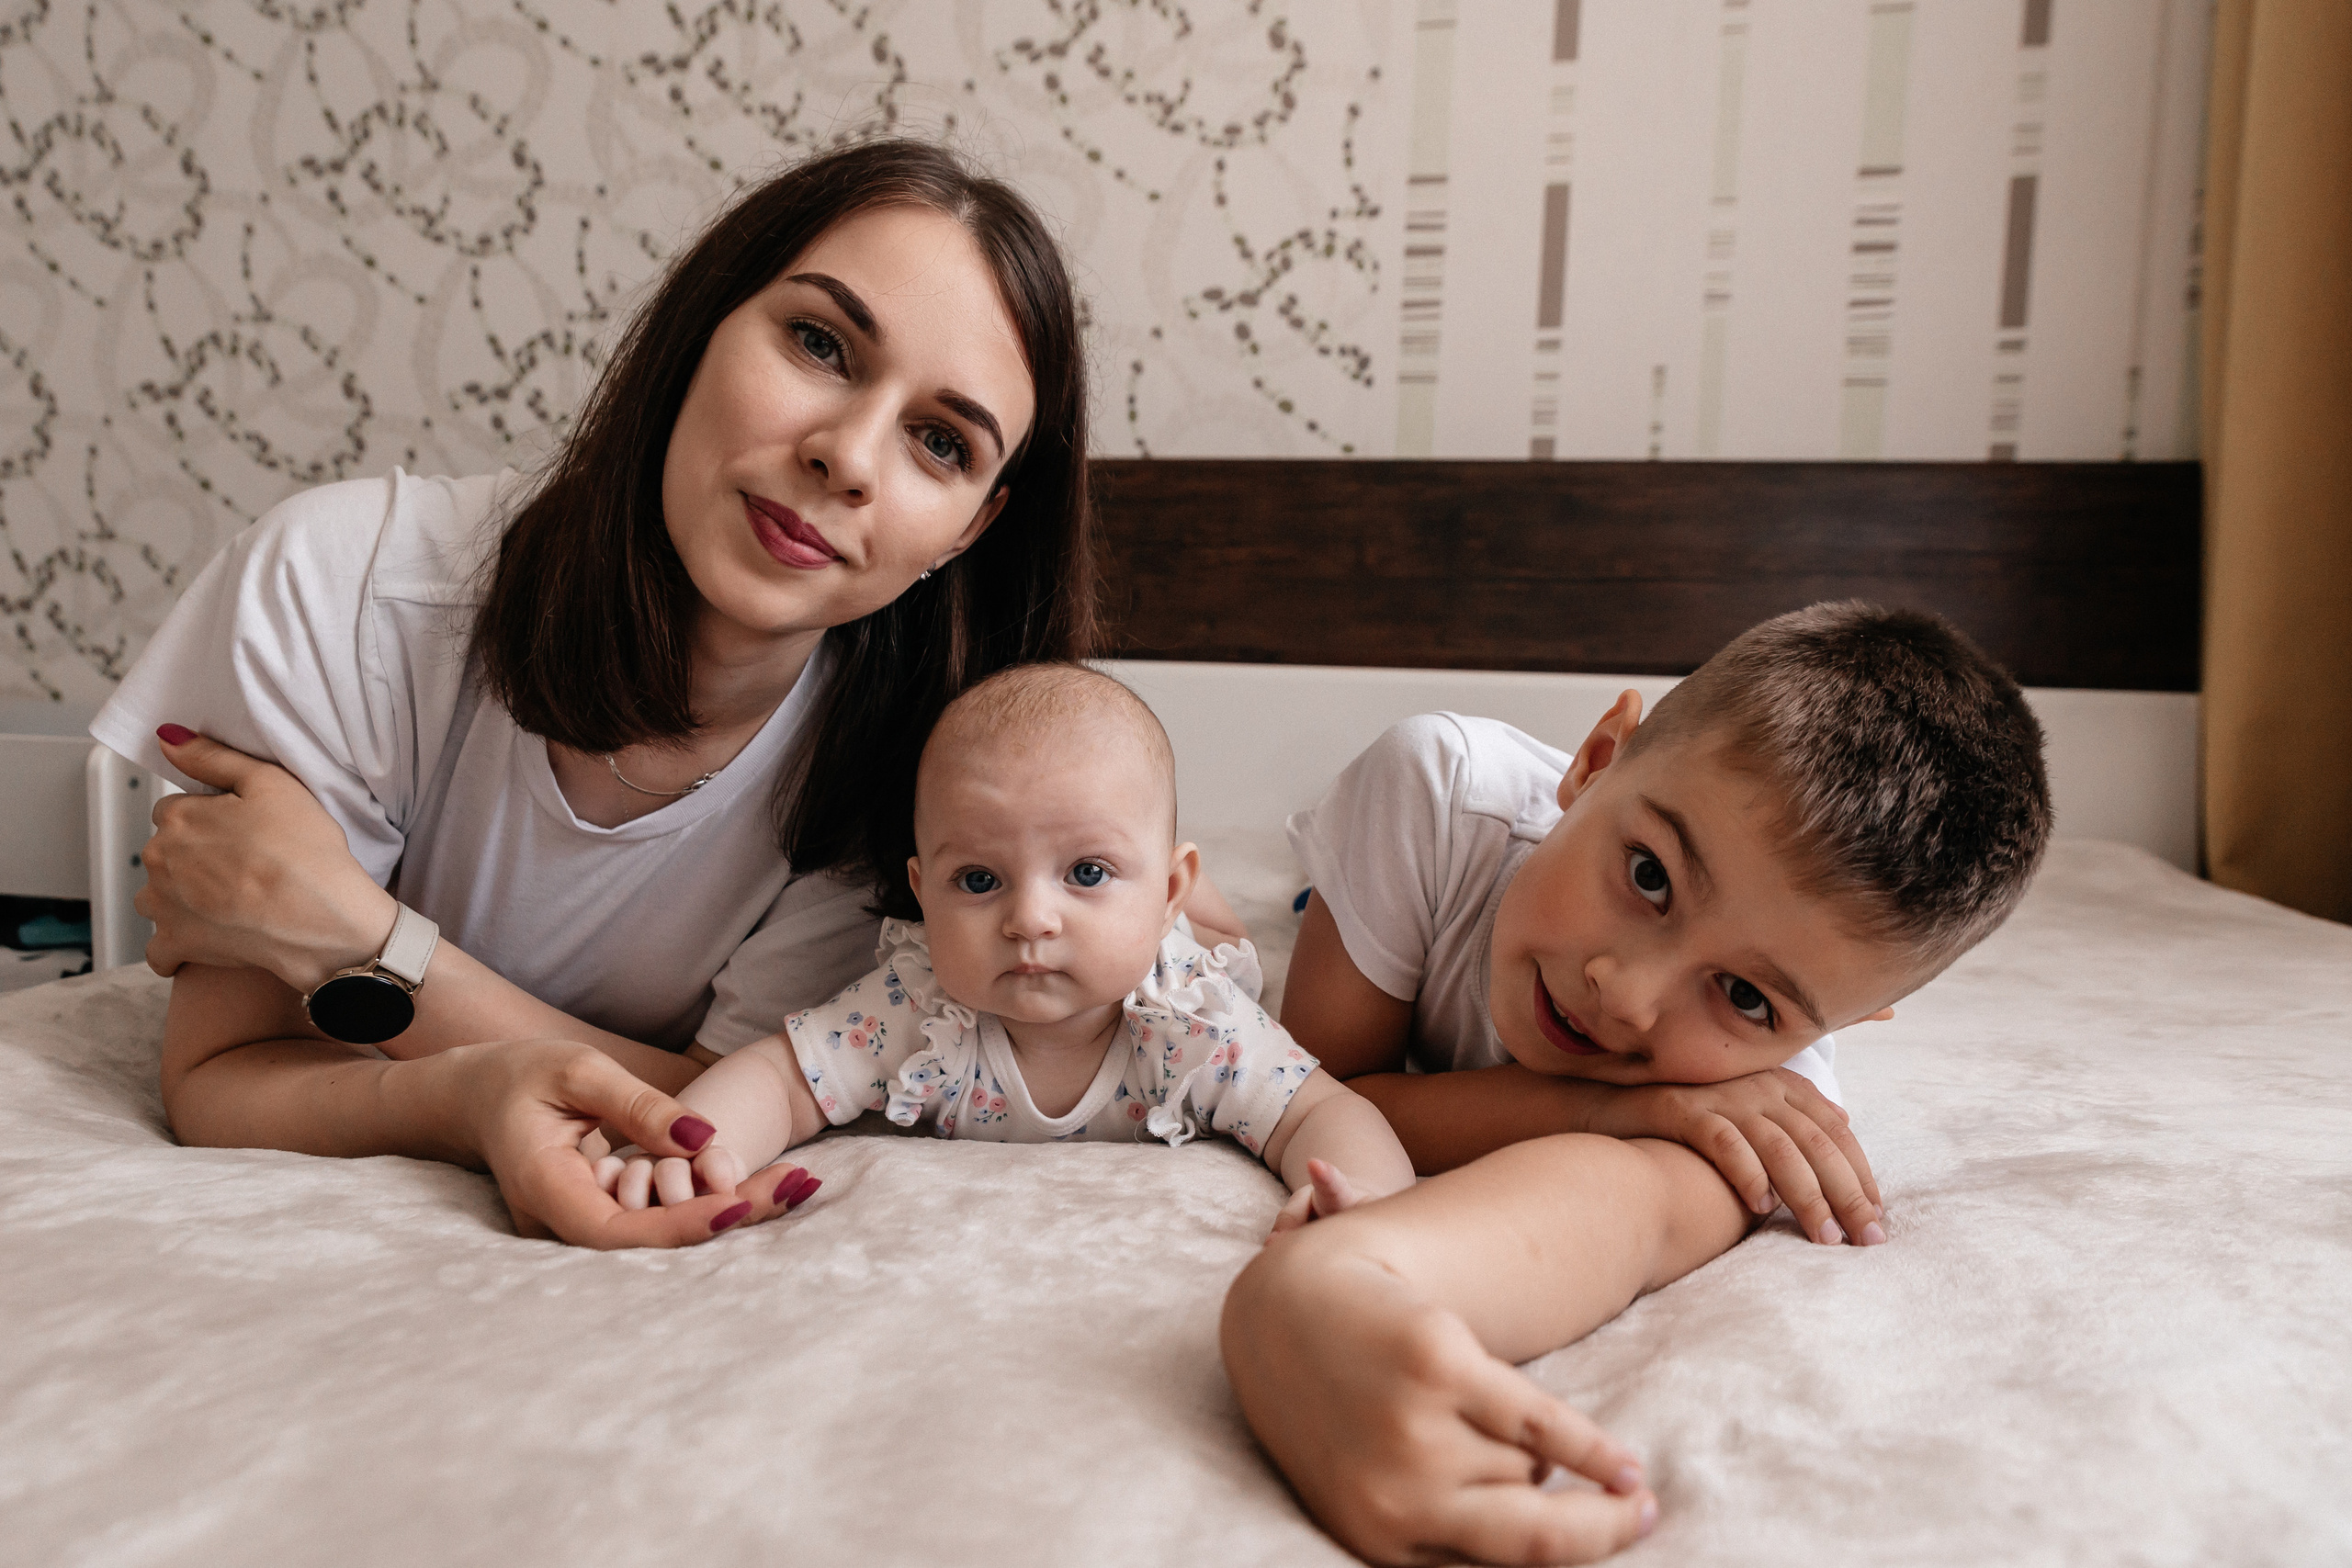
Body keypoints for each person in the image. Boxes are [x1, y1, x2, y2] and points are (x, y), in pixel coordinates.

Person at [95, 139, 1238, 1248]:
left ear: (972, 529)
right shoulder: (344, 592)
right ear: (701, 327)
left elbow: (727, 1099)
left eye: (940, 443)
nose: (847, 455)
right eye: (819, 343)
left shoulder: (918, 786)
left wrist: (367, 944)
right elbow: (219, 1077)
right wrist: (470, 1095)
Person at [1220, 603, 2054, 1564]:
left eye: (1743, 996)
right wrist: (1629, 1106)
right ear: (1596, 759)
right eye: (1650, 877)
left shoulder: (1772, 1087)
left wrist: (1335, 1291)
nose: (1626, 1000)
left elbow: (1626, 1214)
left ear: (1845, 1024)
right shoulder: (1439, 790)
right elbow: (1320, 1090)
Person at [601, 663, 1413, 1228]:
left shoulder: (1196, 1023)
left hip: (1180, 938)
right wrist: (699, 1152)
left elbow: (1324, 1112)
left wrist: (1362, 1200)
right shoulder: (919, 1004)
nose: (1031, 918)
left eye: (1085, 870)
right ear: (920, 893)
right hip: (1144, 907)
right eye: (980, 880)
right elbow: (782, 1081)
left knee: (1232, 940)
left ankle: (1197, 901)